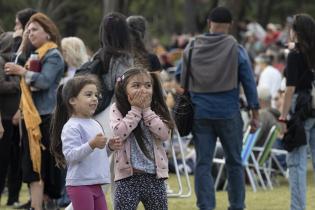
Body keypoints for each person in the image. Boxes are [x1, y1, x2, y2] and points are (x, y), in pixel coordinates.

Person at [176, 7, 259, 210]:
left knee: (203, 164)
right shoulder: (236, 48)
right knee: (234, 163)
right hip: (229, 113)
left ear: (208, 22)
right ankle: (236, 206)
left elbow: (180, 74)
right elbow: (249, 82)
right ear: (229, 25)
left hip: (200, 113)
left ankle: (206, 206)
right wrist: (254, 113)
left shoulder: (192, 47)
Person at [4, 12, 64, 210]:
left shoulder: (54, 55)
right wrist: (22, 45)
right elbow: (17, 63)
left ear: (48, 32)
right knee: (32, 168)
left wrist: (21, 71)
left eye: (35, 29)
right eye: (28, 30)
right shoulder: (33, 55)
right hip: (30, 119)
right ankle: (36, 206)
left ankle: (45, 205)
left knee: (43, 168)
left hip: (46, 119)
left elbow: (45, 81)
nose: (30, 33)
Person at [50, 74, 122, 210]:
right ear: (72, 100)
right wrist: (91, 144)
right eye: (89, 94)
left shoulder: (94, 123)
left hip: (96, 183)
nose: (95, 98)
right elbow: (70, 156)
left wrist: (109, 148)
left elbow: (96, 154)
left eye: (96, 95)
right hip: (80, 184)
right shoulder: (72, 126)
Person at [109, 68, 174, 210]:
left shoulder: (156, 109)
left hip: (154, 178)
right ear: (124, 89)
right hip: (128, 179)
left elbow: (164, 134)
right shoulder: (117, 108)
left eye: (147, 85)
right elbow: (119, 133)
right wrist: (136, 110)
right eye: (136, 85)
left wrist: (146, 111)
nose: (143, 90)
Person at [279, 13, 315, 210]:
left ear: (297, 31)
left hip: (299, 108)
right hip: (313, 106)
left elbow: (290, 88)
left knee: (297, 162)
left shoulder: (295, 55)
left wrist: (283, 117)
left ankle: (298, 207)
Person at [0, 31, 23, 207]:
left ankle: (13, 197)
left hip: (18, 117)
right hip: (5, 118)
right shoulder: (1, 61)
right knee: (3, 158)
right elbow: (1, 86)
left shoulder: (16, 62)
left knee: (16, 159)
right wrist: (19, 83)